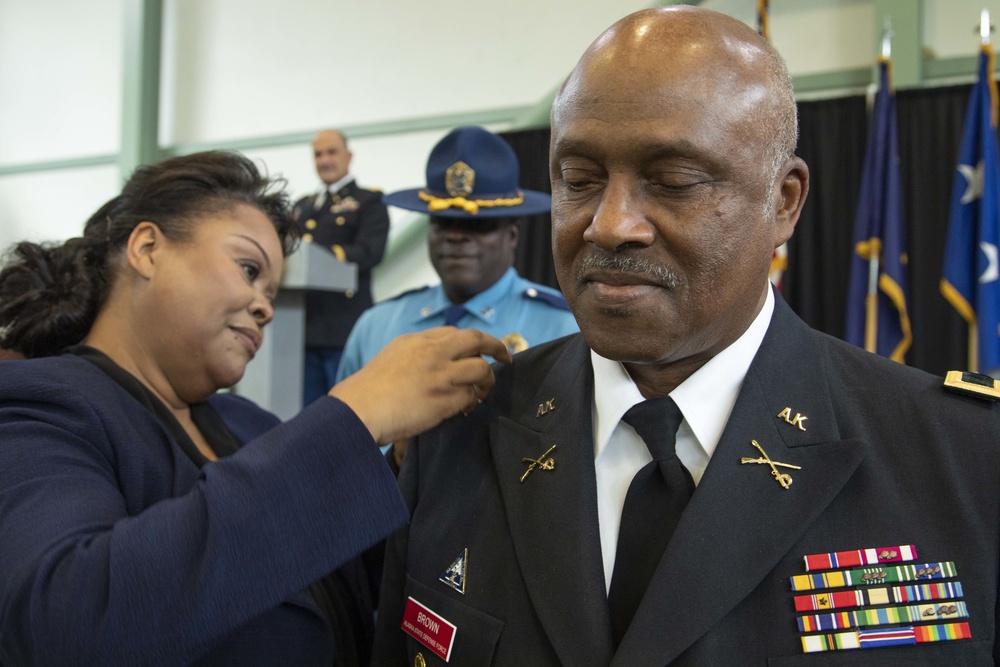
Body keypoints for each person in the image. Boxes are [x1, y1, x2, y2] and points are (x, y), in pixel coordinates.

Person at [372, 7, 1000, 666]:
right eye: (579, 180)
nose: (610, 225)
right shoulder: (457, 437)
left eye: (674, 181)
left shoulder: (963, 461)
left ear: (783, 201)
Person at [0, 151, 509, 666]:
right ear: (148, 248)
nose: (265, 305)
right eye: (248, 269)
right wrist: (354, 418)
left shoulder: (250, 425)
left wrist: (404, 465)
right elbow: (67, 622)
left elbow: (348, 582)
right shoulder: (39, 406)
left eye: (271, 289)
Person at [337, 126, 579, 384]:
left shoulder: (562, 329)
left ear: (512, 235)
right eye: (443, 222)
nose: (455, 236)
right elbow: (341, 423)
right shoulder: (376, 326)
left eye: (478, 225)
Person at [293, 129, 390, 405]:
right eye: (318, 154)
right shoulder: (303, 206)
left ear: (349, 156)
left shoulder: (368, 201)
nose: (325, 160)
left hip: (344, 329)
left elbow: (370, 253)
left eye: (332, 152)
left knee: (346, 414)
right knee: (305, 422)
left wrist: (323, 255)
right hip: (302, 329)